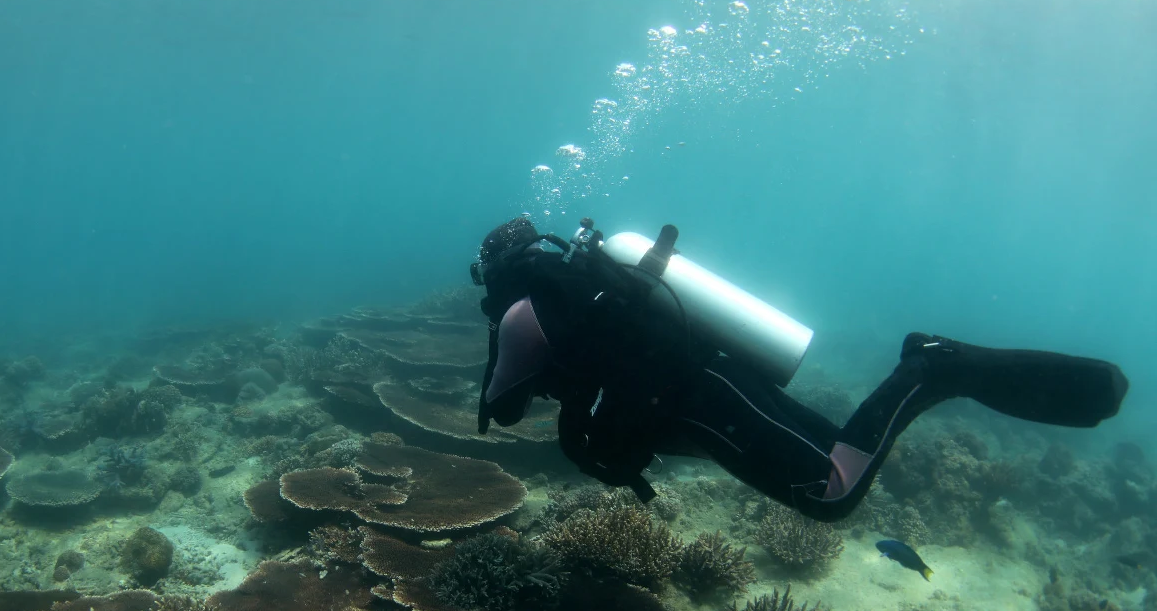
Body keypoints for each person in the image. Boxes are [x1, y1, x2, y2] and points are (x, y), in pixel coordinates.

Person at [472, 216, 1129, 519]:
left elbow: (499, 406)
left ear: (499, 269)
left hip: (702, 394)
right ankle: (931, 367)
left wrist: (495, 334)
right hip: (706, 387)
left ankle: (931, 370)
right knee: (832, 455)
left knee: (830, 493)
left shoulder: (527, 308)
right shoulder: (565, 287)